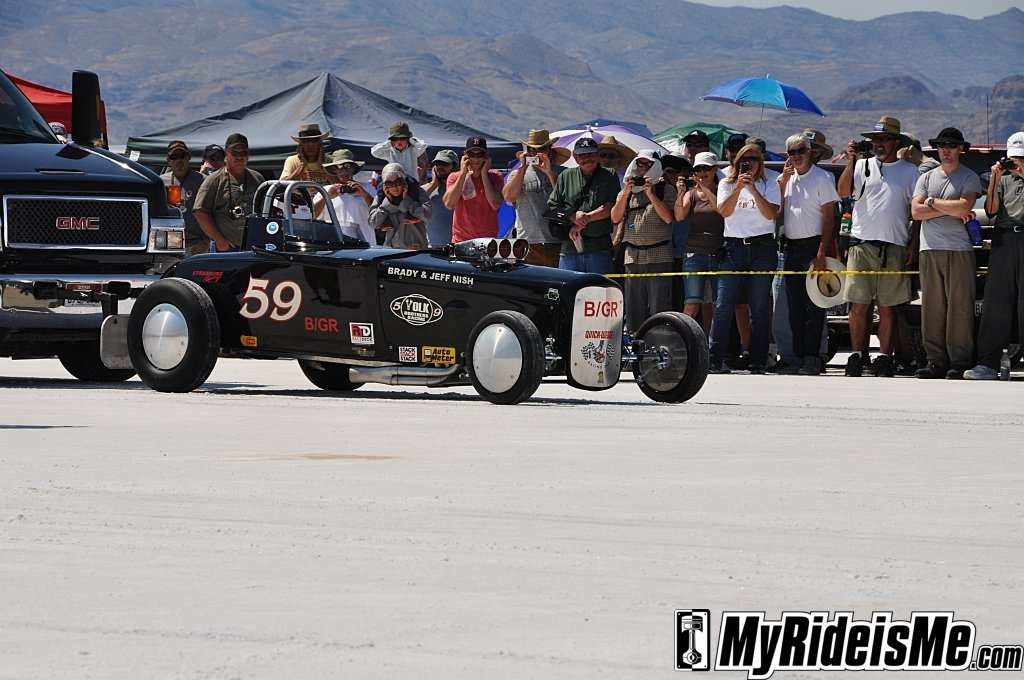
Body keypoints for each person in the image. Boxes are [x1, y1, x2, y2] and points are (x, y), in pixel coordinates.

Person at [837, 116, 920, 377]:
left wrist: (913, 244)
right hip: (861, 243)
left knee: (887, 306)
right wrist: (851, 161)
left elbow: (916, 213)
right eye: (875, 139)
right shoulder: (862, 165)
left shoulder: (910, 172)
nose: (878, 144)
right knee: (858, 305)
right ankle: (856, 355)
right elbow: (843, 191)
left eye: (884, 139)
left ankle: (884, 357)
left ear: (896, 142)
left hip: (894, 244)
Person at [909, 127, 983, 379]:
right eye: (942, 146)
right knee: (932, 307)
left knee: (959, 308)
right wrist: (949, 208)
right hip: (929, 248)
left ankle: (959, 361)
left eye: (951, 146)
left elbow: (964, 206)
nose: (946, 151)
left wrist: (931, 202)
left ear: (961, 149)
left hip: (959, 249)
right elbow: (915, 212)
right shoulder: (926, 178)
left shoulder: (969, 177)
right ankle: (935, 361)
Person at [710, 143, 780, 374]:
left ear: (761, 162)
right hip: (733, 246)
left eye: (753, 159)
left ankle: (758, 360)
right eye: (743, 160)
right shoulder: (726, 183)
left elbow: (771, 214)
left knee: (759, 306)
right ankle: (714, 359)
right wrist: (739, 187)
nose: (748, 164)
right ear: (736, 162)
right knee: (723, 304)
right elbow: (724, 211)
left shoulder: (771, 181)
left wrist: (754, 190)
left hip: (762, 246)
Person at [777, 133, 840, 376]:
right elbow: (777, 212)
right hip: (791, 247)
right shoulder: (787, 179)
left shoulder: (822, 178)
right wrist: (783, 182)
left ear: (810, 152)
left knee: (814, 305)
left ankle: (813, 356)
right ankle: (797, 356)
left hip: (813, 246)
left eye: (800, 151)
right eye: (792, 152)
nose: (796, 156)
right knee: (794, 307)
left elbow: (829, 219)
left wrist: (822, 251)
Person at [965, 132, 1024, 379]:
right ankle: (987, 363)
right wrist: (995, 179)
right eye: (1014, 158)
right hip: (1005, 239)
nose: (1016, 163)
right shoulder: (1003, 178)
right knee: (996, 302)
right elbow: (990, 210)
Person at [611, 150, 675, 330]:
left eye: (647, 164)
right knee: (634, 306)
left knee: (659, 306)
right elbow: (615, 217)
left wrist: (651, 194)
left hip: (659, 255)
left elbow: (668, 218)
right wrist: (626, 192)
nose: (642, 168)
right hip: (632, 256)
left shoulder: (665, 189)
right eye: (639, 163)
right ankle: (634, 340)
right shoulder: (627, 190)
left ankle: (659, 339)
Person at [548, 137, 620, 273]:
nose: (587, 158)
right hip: (569, 248)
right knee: (568, 286)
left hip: (599, 247)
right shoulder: (565, 176)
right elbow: (553, 206)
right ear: (575, 157)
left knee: (599, 286)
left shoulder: (609, 175)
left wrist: (585, 218)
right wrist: (572, 216)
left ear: (597, 155)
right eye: (582, 155)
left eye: (591, 154)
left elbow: (612, 206)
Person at [503, 129, 569, 267]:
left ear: (550, 150)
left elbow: (566, 201)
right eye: (531, 149)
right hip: (528, 242)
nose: (535, 153)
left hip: (558, 241)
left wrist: (550, 173)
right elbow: (509, 197)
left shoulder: (563, 173)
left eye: (541, 149)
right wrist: (522, 167)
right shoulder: (517, 174)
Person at [674, 151, 723, 335]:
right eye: (698, 169)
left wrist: (705, 188)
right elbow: (679, 216)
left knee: (719, 304)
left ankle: (714, 345)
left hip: (718, 253)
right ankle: (685, 341)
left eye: (706, 169)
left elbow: (721, 209)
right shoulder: (691, 194)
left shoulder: (723, 190)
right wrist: (680, 193)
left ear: (715, 170)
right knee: (692, 303)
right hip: (694, 253)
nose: (702, 173)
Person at [192, 133, 265, 252]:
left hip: (253, 246)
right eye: (235, 152)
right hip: (226, 248)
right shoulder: (214, 180)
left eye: (243, 153)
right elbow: (200, 212)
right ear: (227, 153)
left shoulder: (257, 178)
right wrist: (219, 240)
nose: (239, 157)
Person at [443, 136, 504, 243]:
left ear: (486, 156)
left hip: (488, 240)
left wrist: (484, 174)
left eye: (480, 154)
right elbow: (449, 204)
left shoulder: (495, 176)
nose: (476, 159)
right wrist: (463, 174)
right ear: (465, 155)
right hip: (461, 240)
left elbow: (495, 204)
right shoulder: (455, 177)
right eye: (472, 154)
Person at [315, 148, 375, 245]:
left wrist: (364, 194)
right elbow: (312, 216)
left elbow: (380, 214)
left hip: (365, 245)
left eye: (347, 166)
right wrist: (326, 198)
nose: (344, 170)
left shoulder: (367, 188)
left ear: (353, 168)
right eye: (339, 167)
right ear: (334, 169)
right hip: (335, 246)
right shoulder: (324, 191)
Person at [369, 162, 430, 249]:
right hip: (391, 249)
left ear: (404, 182)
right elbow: (373, 223)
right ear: (385, 186)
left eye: (398, 182)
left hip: (415, 247)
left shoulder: (417, 192)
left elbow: (427, 215)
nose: (394, 187)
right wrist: (387, 204)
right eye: (389, 184)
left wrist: (407, 201)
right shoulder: (381, 197)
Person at [160, 140, 206, 255]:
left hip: (197, 243)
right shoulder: (161, 182)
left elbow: (212, 212)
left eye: (182, 156)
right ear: (168, 160)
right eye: (174, 157)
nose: (179, 161)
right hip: (170, 242)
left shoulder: (202, 181)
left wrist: (207, 240)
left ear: (189, 157)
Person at [422, 149, 458, 247]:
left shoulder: (461, 189)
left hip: (456, 246)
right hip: (431, 247)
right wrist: (434, 184)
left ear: (454, 167)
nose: (440, 167)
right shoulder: (426, 188)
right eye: (437, 164)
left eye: (445, 164)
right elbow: (413, 203)